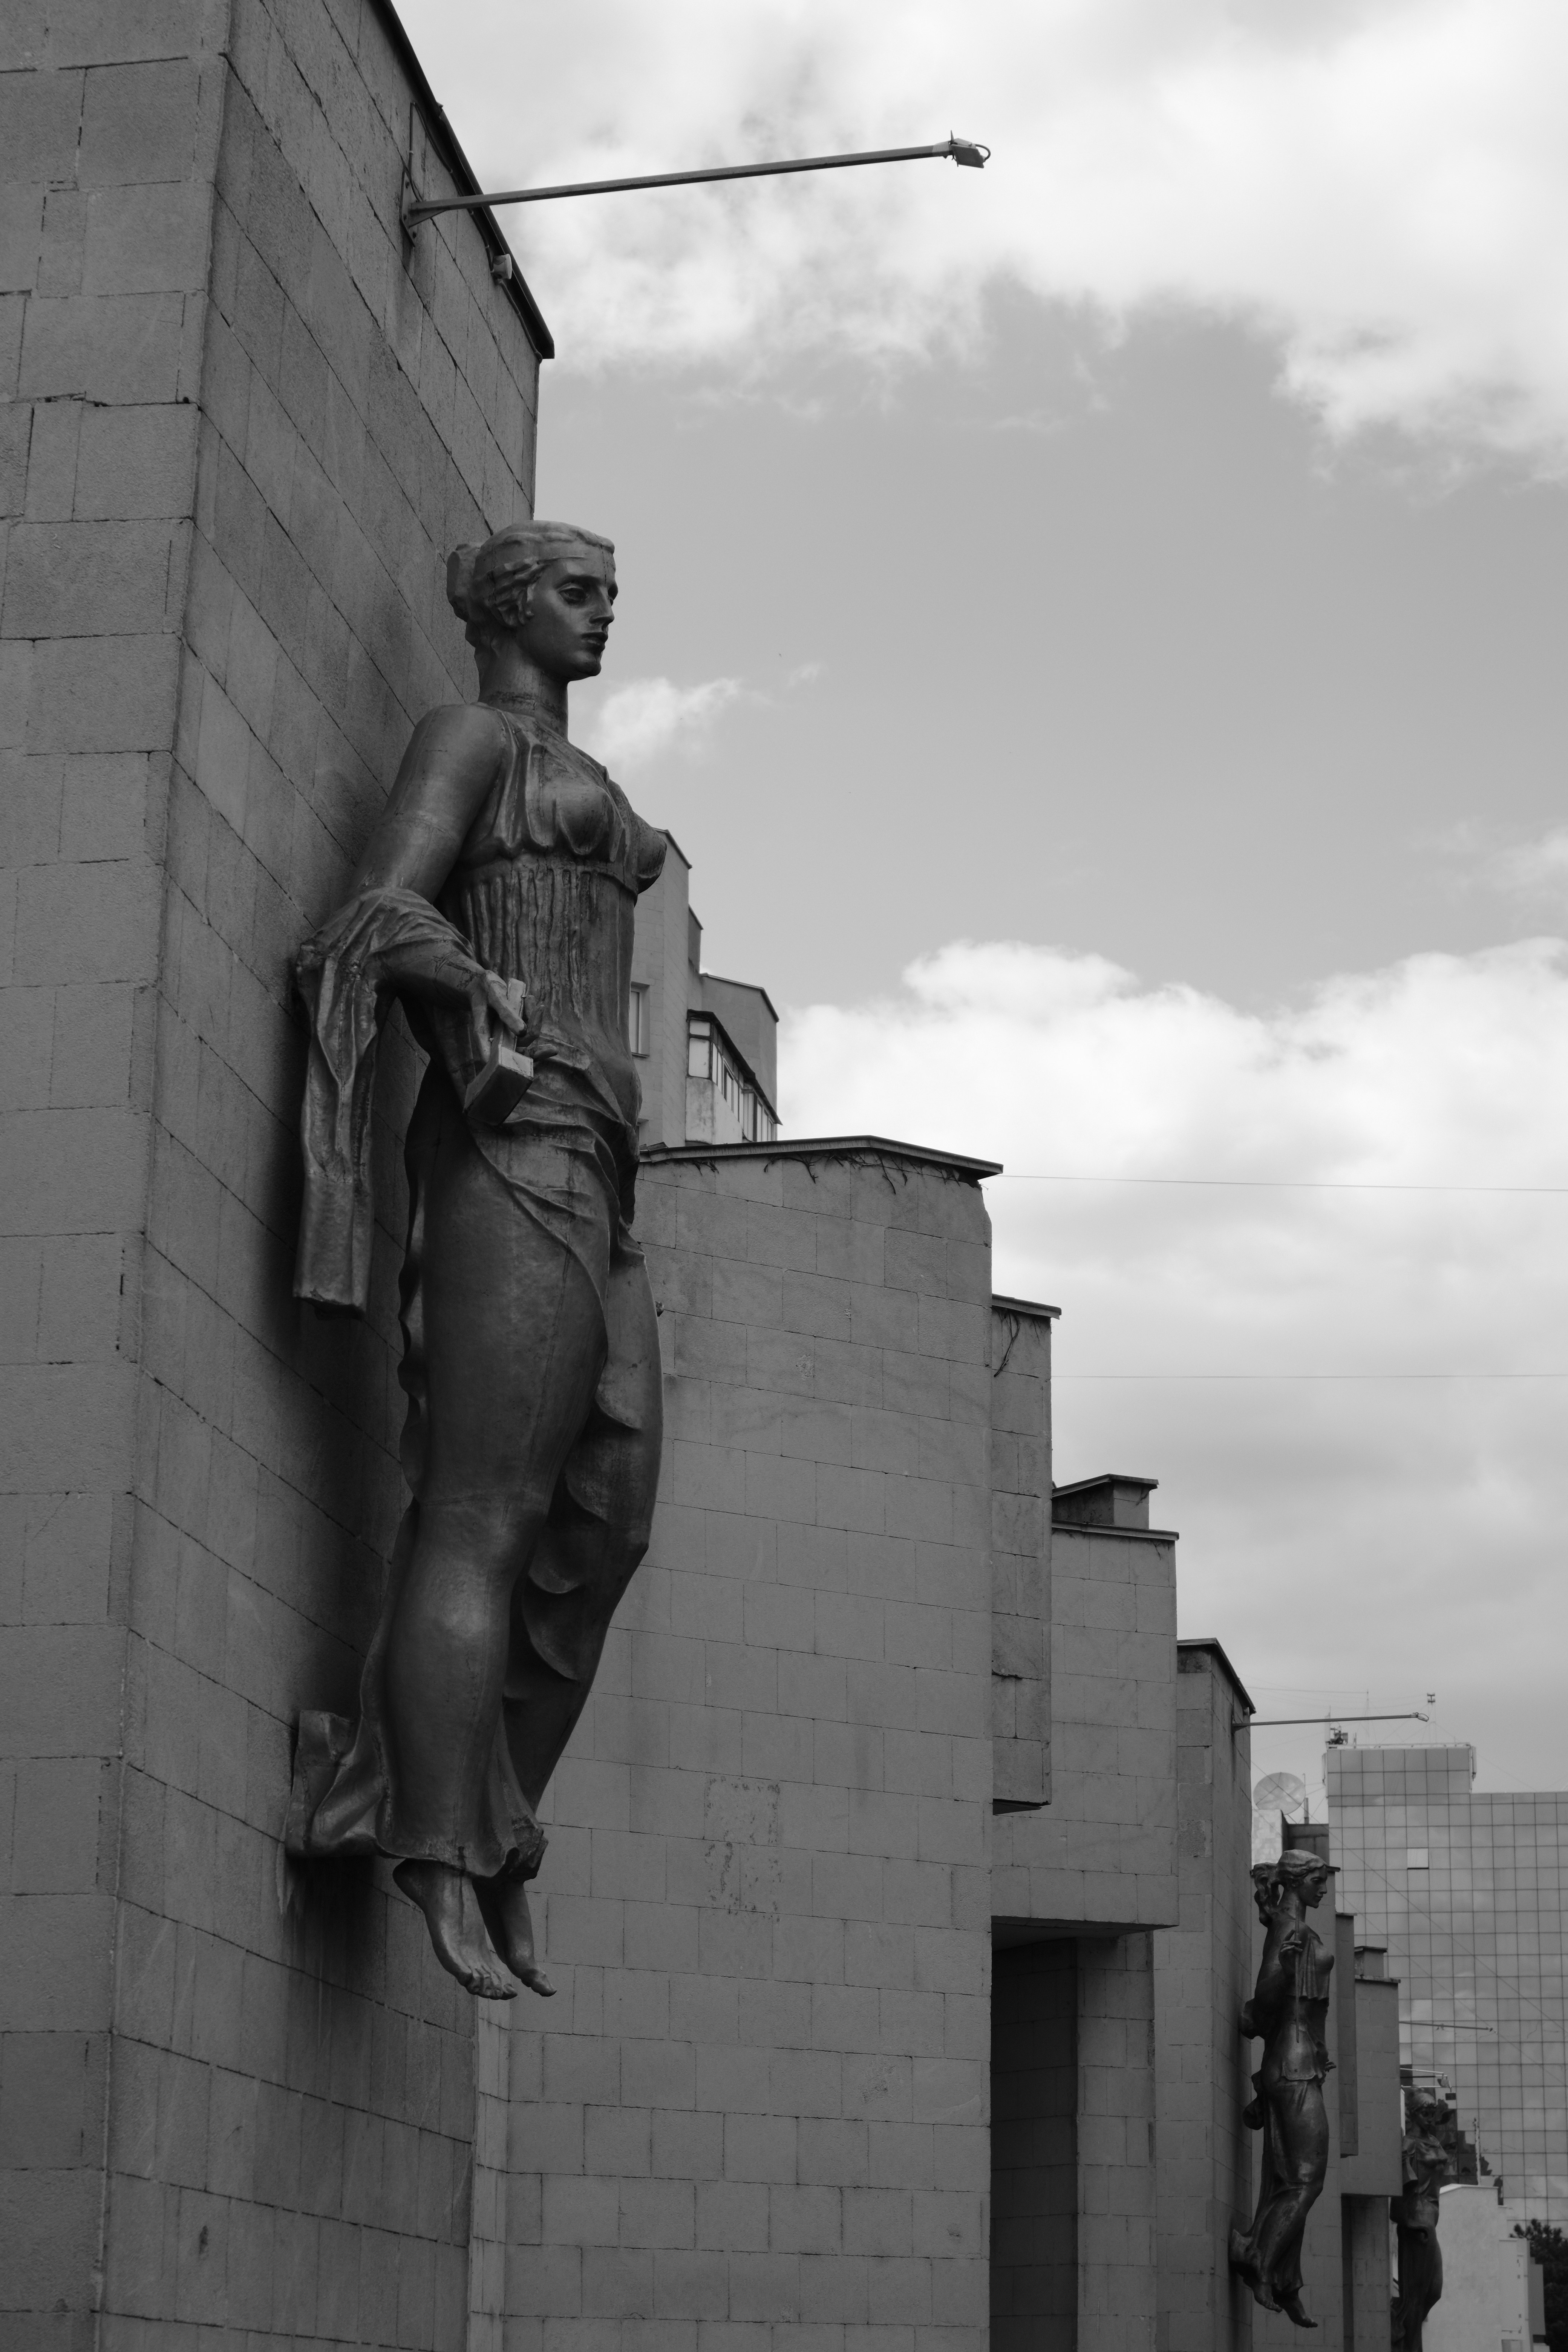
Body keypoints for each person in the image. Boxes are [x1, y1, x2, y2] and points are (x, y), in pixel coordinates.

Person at [283, 521, 666, 2001]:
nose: (605, 617)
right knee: (486, 1507)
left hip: (606, 1158)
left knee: (611, 1513)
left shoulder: (590, 777)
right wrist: (482, 987)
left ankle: (483, 1807)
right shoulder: (468, 737)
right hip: (512, 1141)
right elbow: (377, 916)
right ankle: (436, 1842)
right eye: (581, 593)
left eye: (611, 595)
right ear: (512, 605)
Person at [1229, 1848, 1336, 2327]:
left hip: (1300, 2062)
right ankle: (1258, 2259)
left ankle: (1282, 2276)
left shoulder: (1297, 1927)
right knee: (1305, 2180)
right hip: (1291, 2068)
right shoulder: (1289, 1931)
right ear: (1296, 1881)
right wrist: (1288, 1970)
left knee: (1290, 2179)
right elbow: (1263, 1999)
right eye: (1318, 1879)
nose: (1324, 1887)